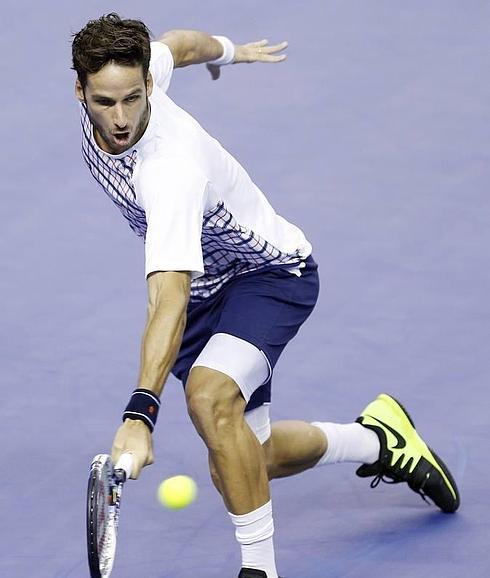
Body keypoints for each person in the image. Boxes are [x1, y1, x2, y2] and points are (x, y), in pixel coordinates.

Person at [71, 13, 460, 578]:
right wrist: (227, 52)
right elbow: (176, 44)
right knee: (248, 459)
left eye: (133, 98)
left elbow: (167, 299)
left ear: (147, 86)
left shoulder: (168, 170)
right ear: (79, 89)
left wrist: (140, 414)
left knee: (209, 398)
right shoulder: (134, 71)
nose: (122, 118)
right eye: (106, 102)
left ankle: (259, 571)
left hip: (268, 277)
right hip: (207, 293)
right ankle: (379, 441)